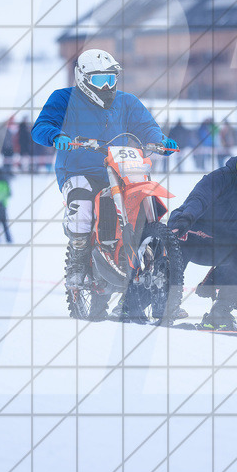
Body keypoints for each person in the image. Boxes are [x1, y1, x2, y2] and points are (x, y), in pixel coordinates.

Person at [31, 49, 176, 291]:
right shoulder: (64, 99)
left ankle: (153, 257)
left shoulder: (126, 101)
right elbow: (41, 126)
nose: (107, 86)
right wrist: (56, 135)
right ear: (84, 79)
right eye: (100, 80)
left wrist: (159, 140)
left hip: (122, 168)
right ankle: (78, 262)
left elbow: (146, 126)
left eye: (111, 78)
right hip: (78, 169)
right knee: (83, 209)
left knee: (141, 202)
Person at [167, 141, 237, 332]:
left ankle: (221, 311)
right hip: (190, 231)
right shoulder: (221, 178)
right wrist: (185, 219)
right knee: (181, 237)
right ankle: (159, 302)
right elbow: (198, 200)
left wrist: (216, 277)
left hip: (217, 246)